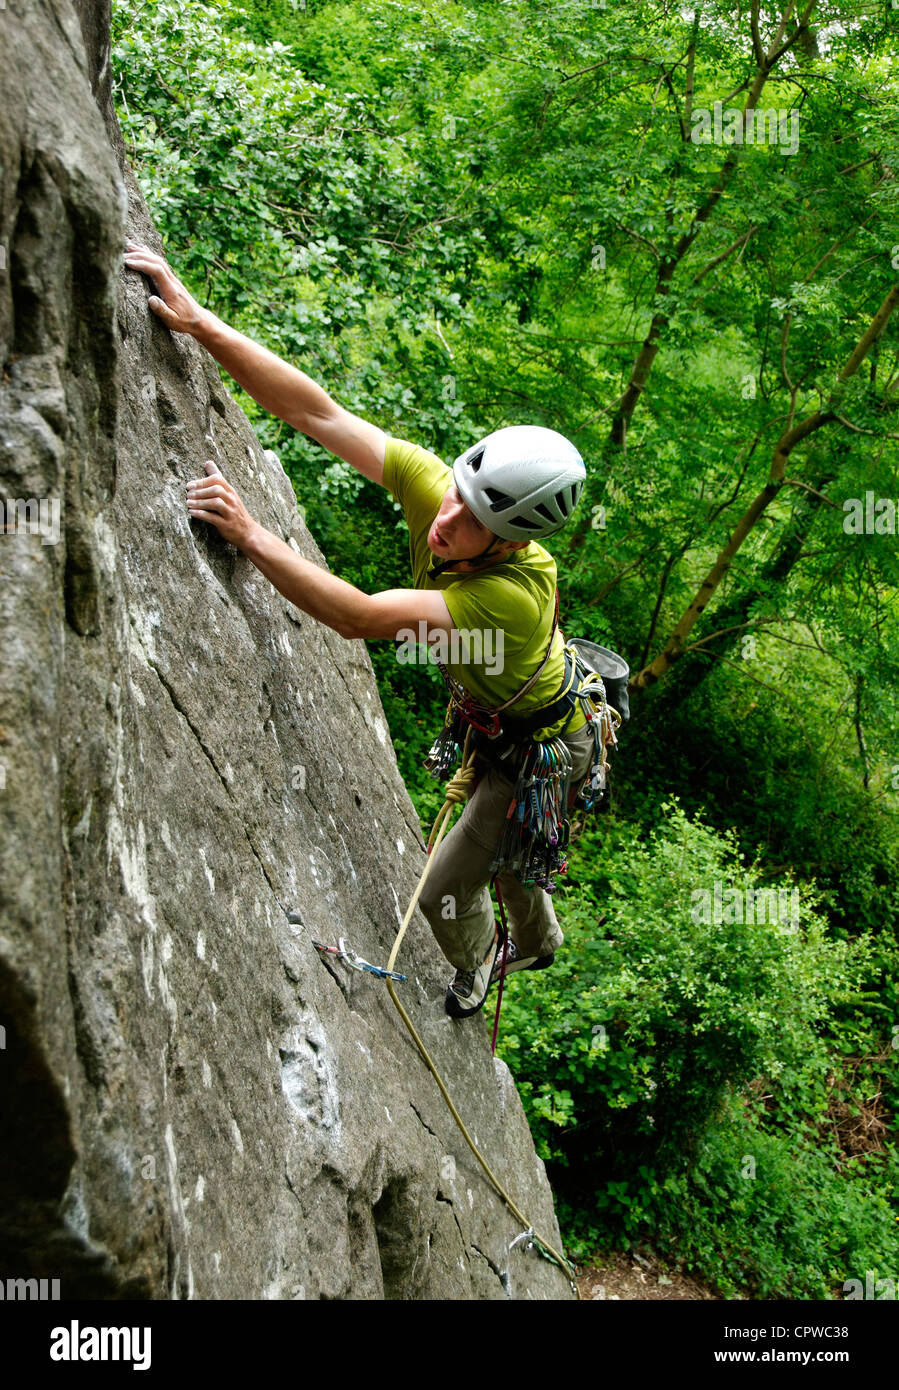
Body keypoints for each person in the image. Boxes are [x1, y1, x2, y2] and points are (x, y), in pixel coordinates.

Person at [123, 239, 595, 1020]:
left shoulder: (511, 596)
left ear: (509, 543)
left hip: (539, 746)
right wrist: (200, 322)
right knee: (510, 854)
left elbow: (356, 617)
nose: (444, 519)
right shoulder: (448, 497)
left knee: (452, 887)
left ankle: (479, 965)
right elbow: (317, 412)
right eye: (453, 496)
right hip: (502, 717)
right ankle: (539, 937)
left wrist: (253, 536)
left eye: (471, 522)